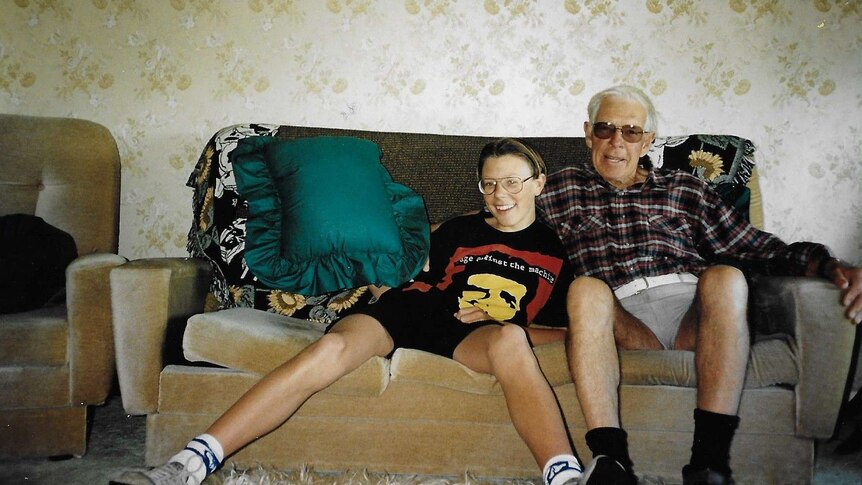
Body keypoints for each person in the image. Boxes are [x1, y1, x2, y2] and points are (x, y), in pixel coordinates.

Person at [111, 138, 586, 485]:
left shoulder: (559, 252)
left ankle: (563, 477)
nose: (500, 194)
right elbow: (404, 262)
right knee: (331, 348)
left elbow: (564, 326)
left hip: (477, 333)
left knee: (510, 340)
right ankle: (185, 467)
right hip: (416, 309)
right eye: (489, 184)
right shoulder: (458, 227)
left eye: (512, 182)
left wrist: (508, 321)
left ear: (539, 182)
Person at [536, 84, 862, 485]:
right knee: (585, 289)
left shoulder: (685, 189)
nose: (617, 142)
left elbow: (757, 248)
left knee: (725, 276)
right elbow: (500, 224)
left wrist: (831, 266)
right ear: (588, 133)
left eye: (631, 131)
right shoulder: (560, 189)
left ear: (648, 140)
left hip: (692, 312)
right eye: (605, 129)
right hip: (621, 320)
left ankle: (709, 463)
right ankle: (611, 461)